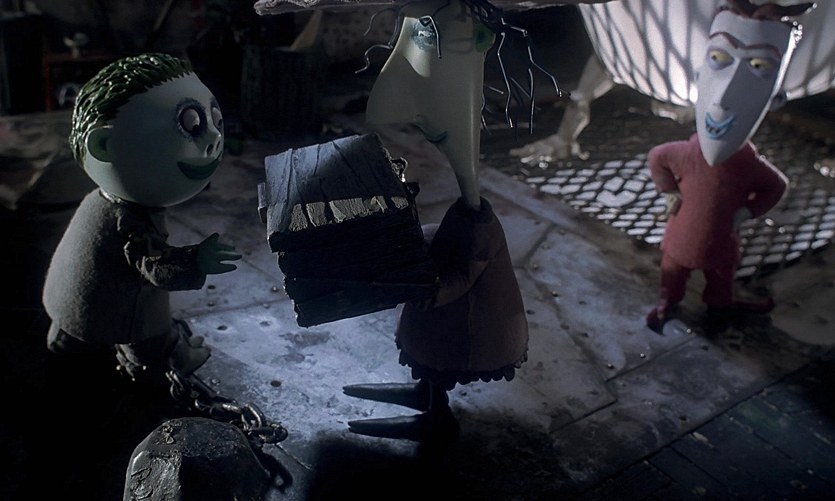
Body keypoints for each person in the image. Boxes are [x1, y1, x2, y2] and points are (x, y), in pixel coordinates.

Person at [42, 53, 241, 381]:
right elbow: (156, 266)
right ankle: (163, 360)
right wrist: (195, 261)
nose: (214, 140)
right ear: (105, 146)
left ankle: (65, 342)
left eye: (216, 123)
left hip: (67, 301)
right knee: (148, 336)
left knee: (73, 330)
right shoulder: (130, 221)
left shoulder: (97, 200)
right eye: (192, 126)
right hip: (118, 310)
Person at [645, 0, 813, 332]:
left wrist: (747, 212)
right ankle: (669, 300)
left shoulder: (749, 165)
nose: (722, 100)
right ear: (699, 76)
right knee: (672, 272)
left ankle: (720, 306)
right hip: (682, 240)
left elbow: (776, 186)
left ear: (776, 98)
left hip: (721, 243)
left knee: (720, 277)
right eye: (719, 59)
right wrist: (670, 192)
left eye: (759, 66)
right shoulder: (686, 153)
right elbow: (657, 158)